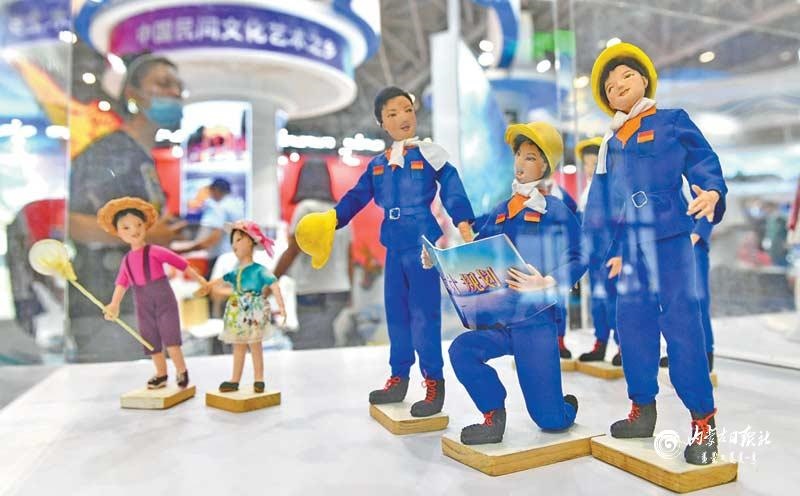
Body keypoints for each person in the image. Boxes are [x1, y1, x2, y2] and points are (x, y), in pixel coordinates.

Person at [585, 42, 727, 465]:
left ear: (645, 79)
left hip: (670, 235)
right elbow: (601, 203)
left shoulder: (671, 120)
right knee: (632, 326)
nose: (618, 86)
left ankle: (703, 421)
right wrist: (594, 251)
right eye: (609, 87)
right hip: (631, 246)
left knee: (683, 325)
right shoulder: (610, 143)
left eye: (626, 76)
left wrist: (712, 191)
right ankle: (642, 408)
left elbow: (703, 160)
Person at [294, 86, 475, 417]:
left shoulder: (430, 155)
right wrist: (334, 218)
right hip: (393, 246)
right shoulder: (378, 165)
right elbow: (357, 195)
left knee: (425, 316)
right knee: (397, 316)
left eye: (407, 109)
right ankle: (399, 377)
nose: (403, 117)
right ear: (382, 123)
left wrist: (463, 220)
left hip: (422, 247)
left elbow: (452, 186)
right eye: (392, 113)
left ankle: (433, 382)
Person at [446, 122, 584, 444]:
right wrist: (442, 260)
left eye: (531, 157)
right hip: (500, 319)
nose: (521, 163)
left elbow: (580, 255)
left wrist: (548, 281)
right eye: (519, 155)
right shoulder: (501, 211)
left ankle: (561, 407)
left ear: (546, 165)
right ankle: (493, 415)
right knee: (462, 350)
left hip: (536, 321)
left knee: (550, 422)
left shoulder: (557, 211)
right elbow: (476, 249)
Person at [68, 54, 185, 362]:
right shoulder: (110, 152)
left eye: (178, 86)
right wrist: (147, 235)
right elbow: (74, 222)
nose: (175, 93)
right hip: (106, 303)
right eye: (163, 84)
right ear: (133, 93)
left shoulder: (142, 156)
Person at [99, 197, 208, 389]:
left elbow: (181, 264)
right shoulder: (126, 261)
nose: (134, 230)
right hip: (142, 303)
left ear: (145, 226)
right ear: (118, 232)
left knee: (171, 338)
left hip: (164, 299)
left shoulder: (155, 251)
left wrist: (200, 280)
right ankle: (161, 373)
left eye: (138, 224)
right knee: (150, 340)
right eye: (126, 227)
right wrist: (114, 304)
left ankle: (181, 371)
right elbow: (121, 283)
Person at [273, 158, 353, 350]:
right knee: (328, 343)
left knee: (309, 347)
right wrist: (351, 293)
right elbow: (350, 257)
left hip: (312, 290)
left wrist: (270, 281)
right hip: (340, 290)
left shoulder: (306, 208)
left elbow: (293, 250)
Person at [197, 221, 286, 393]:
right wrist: (207, 286)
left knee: (255, 345)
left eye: (238, 240)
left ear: (251, 242)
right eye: (233, 241)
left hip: (254, 311)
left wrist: (281, 306)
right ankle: (235, 379)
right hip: (237, 312)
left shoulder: (259, 270)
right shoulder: (235, 271)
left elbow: (274, 285)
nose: (234, 245)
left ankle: (258, 379)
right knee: (238, 346)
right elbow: (218, 282)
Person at [575, 137, 621, 365]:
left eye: (595, 163)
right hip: (593, 256)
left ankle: (622, 345)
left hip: (609, 253)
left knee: (614, 300)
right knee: (597, 300)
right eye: (587, 163)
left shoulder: (612, 190)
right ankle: (600, 343)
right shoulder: (585, 192)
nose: (590, 168)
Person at [537, 177, 578, 358]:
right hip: (535, 257)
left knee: (558, 302)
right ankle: (540, 342)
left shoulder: (561, 198)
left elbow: (573, 213)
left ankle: (559, 340)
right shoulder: (522, 195)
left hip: (557, 258)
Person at [177, 177, 243, 278]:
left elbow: (213, 238)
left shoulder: (219, 207)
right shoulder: (236, 206)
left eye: (210, 192)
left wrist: (183, 251)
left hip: (220, 257)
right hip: (235, 256)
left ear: (216, 190)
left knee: (211, 285)